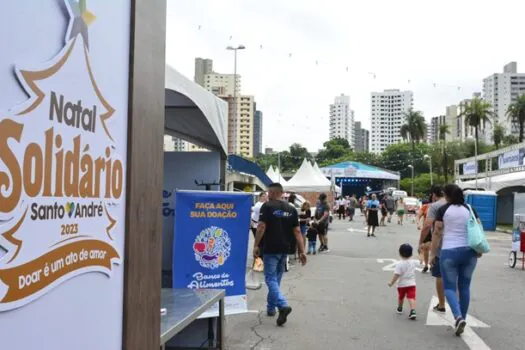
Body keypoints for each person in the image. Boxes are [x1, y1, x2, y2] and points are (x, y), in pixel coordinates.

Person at [431, 184, 481, 336]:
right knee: (464, 287)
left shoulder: (443, 210)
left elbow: (437, 233)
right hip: (469, 252)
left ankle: (458, 317)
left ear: (447, 196)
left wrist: (433, 253)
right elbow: (478, 228)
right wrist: (479, 249)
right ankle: (462, 319)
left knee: (449, 288)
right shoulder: (470, 209)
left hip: (449, 253)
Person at [254, 183, 307, 326]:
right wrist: (302, 251)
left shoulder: (267, 206)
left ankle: (282, 305)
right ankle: (271, 309)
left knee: (270, 278)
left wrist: (256, 245)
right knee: (275, 280)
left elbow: (261, 226)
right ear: (282, 193)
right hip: (285, 249)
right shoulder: (291, 208)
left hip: (271, 248)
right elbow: (297, 231)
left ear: (271, 193)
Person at [420, 185, 447, 311]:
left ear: (434, 195)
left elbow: (427, 226)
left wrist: (420, 242)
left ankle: (442, 304)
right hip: (460, 246)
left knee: (440, 275)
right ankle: (458, 307)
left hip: (440, 245)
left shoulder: (435, 206)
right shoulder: (461, 206)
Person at [388, 244, 417, 320]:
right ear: (411, 254)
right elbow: (420, 261)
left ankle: (400, 308)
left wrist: (391, 282)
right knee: (411, 297)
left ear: (400, 253)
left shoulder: (399, 264)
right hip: (412, 284)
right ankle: (413, 311)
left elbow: (396, 275)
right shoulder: (413, 262)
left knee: (401, 297)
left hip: (402, 285)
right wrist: (421, 253)